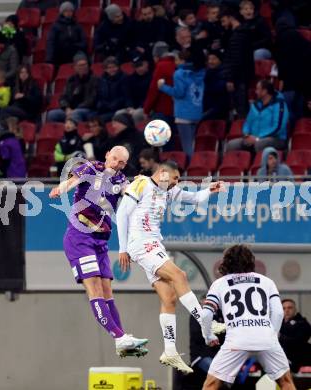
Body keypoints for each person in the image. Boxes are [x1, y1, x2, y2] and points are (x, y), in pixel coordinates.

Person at [116, 160, 225, 373]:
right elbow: (121, 214)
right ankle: (205, 321)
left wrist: (209, 191)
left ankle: (170, 351)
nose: (177, 182)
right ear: (163, 172)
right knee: (180, 275)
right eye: (175, 177)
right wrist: (122, 248)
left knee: (169, 298)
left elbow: (193, 198)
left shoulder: (168, 191)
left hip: (154, 244)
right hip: (141, 243)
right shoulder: (141, 183)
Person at [49, 146, 148, 356]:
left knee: (107, 293)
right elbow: (72, 181)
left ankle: (121, 339)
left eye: (122, 162)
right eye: (115, 159)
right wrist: (61, 189)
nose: (117, 164)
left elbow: (133, 196)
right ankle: (119, 337)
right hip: (80, 237)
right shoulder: (91, 167)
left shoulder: (121, 180)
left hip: (101, 241)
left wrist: (142, 184)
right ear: (107, 156)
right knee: (94, 289)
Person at [201, 244, 296, 390]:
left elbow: (206, 314)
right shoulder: (266, 281)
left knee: (211, 384)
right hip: (266, 338)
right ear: (251, 261)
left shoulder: (219, 284)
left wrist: (208, 335)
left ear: (226, 262)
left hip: (236, 341)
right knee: (286, 382)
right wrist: (273, 335)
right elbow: (278, 313)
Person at [158, 50, 206, 158]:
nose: (175, 62)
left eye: (176, 59)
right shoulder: (200, 72)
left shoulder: (179, 73)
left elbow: (179, 93)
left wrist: (163, 87)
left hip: (183, 114)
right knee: (192, 144)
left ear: (183, 60)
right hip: (196, 112)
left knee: (187, 147)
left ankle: (189, 172)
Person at [226, 80, 289, 152]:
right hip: (253, 137)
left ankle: (257, 162)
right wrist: (247, 135)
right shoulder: (255, 105)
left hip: (275, 138)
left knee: (259, 144)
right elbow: (247, 123)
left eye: (258, 89)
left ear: (264, 91)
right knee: (231, 145)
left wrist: (258, 138)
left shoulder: (279, 104)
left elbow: (278, 127)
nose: (255, 92)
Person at [220, 8, 254, 118]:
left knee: (241, 110)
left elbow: (236, 59)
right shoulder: (243, 33)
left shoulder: (237, 36)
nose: (223, 24)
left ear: (231, 18)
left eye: (224, 20)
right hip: (243, 76)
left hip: (239, 78)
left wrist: (230, 78)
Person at [47, 52, 98, 123]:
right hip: (71, 109)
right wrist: (67, 108)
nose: (83, 67)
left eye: (85, 65)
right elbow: (63, 97)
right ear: (75, 67)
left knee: (76, 113)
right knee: (52, 114)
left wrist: (75, 109)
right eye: (80, 65)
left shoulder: (94, 79)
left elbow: (92, 100)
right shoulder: (71, 80)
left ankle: (74, 133)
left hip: (88, 109)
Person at [46, 1, 87, 68]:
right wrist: (49, 58)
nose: (68, 13)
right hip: (61, 53)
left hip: (75, 52)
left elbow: (83, 42)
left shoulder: (77, 26)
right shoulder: (55, 26)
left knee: (81, 59)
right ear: (62, 12)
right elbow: (51, 42)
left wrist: (75, 46)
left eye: (70, 11)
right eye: (66, 11)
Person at [116, 55, 151, 124]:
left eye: (140, 65)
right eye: (136, 66)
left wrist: (139, 108)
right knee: (118, 114)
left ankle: (134, 133)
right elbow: (127, 95)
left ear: (146, 64)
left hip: (146, 107)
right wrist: (130, 106)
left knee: (136, 114)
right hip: (133, 107)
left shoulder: (151, 78)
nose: (138, 69)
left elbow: (150, 97)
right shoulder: (129, 78)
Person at [280, 299, 311, 372]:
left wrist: (280, 337)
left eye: (289, 308)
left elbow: (299, 342)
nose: (286, 310)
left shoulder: (303, 324)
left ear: (295, 309)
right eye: (284, 308)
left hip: (298, 360)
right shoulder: (278, 324)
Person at [97, 56, 129, 123]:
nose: (112, 69)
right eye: (109, 68)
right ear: (105, 69)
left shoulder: (124, 78)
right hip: (105, 108)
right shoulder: (102, 80)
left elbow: (125, 96)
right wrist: (104, 105)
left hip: (119, 108)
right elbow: (99, 96)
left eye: (114, 67)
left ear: (118, 67)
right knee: (92, 117)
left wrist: (112, 105)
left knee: (100, 120)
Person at [202, 50, 229, 121]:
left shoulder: (225, 72)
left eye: (213, 59)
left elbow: (219, 87)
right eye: (209, 59)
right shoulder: (207, 72)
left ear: (220, 60)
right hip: (207, 106)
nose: (210, 61)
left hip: (218, 107)